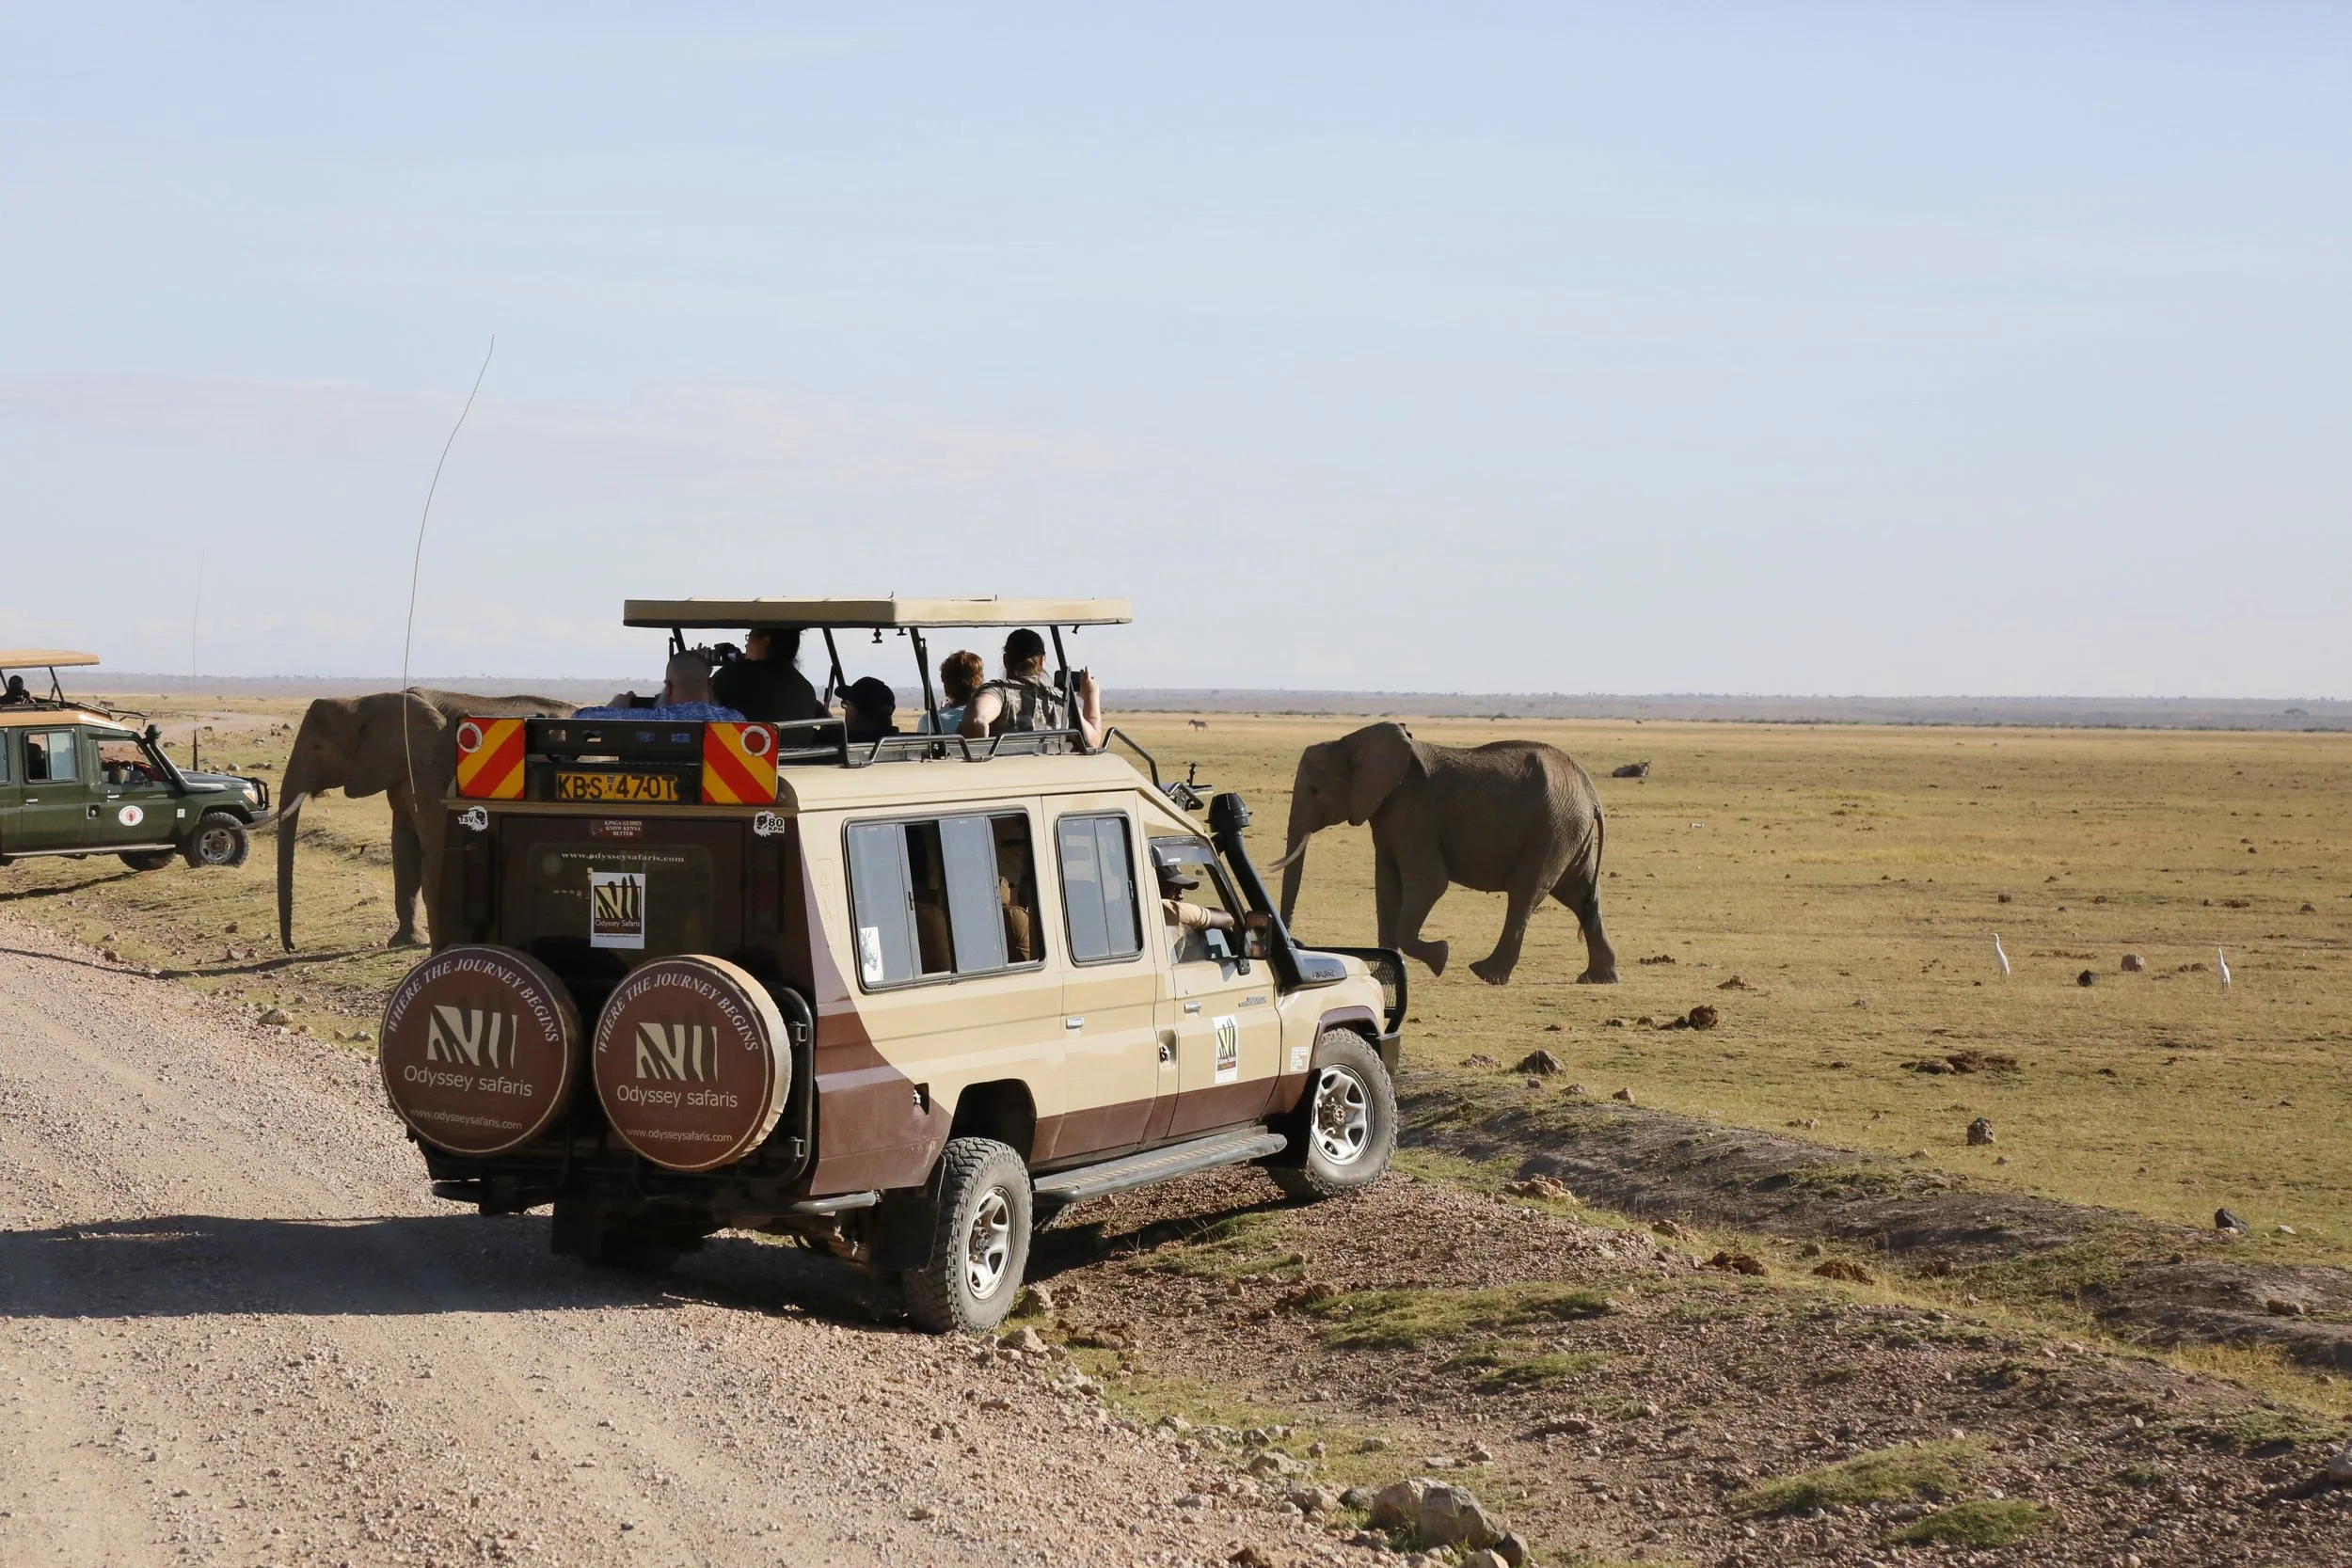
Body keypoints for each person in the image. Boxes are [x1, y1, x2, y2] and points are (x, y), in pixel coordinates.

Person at [959, 628, 1104, 749]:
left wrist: (979, 760)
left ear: (1005, 660)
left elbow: (977, 720)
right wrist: (1091, 697)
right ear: (1042, 661)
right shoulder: (1060, 700)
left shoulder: (999, 692)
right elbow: (1092, 742)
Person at [574, 652, 746, 721]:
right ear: (710, 685)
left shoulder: (651, 721)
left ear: (669, 688)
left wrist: (617, 705)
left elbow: (580, 718)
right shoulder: (734, 720)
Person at [711, 627, 823, 725]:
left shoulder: (732, 675)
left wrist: (700, 669)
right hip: (799, 749)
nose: (746, 645)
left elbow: (703, 702)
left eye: (749, 638)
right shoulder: (805, 687)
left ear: (765, 641)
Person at [915, 649, 985, 736]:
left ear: (946, 689)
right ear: (981, 685)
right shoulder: (988, 717)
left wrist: (943, 713)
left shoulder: (929, 721)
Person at [840, 676, 899, 743]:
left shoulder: (848, 745)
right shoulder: (900, 744)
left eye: (847, 704)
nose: (846, 709)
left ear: (855, 713)